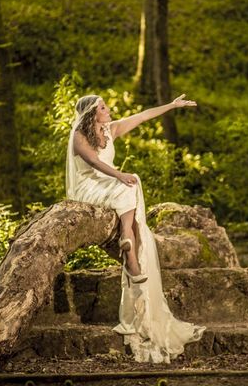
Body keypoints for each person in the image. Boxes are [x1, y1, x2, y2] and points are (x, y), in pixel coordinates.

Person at [65, 93, 205, 363]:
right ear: (92, 113)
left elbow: (143, 116)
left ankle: (127, 239)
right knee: (128, 183)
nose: (108, 110)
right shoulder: (78, 137)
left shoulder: (111, 129)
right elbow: (94, 163)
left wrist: (172, 106)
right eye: (103, 108)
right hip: (89, 189)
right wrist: (120, 175)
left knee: (131, 183)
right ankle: (127, 238)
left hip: (111, 185)